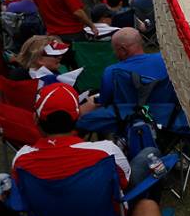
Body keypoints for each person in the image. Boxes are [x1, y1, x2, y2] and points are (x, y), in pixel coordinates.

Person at [12, 83, 159, 194]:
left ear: (35, 119)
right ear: (77, 117)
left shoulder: (21, 160)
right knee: (150, 154)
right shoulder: (107, 152)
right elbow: (125, 183)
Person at [90, 28, 174, 110]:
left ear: (123, 49)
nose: (114, 53)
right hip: (169, 115)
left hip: (130, 119)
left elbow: (104, 103)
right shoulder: (166, 60)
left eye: (115, 50)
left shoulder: (112, 72)